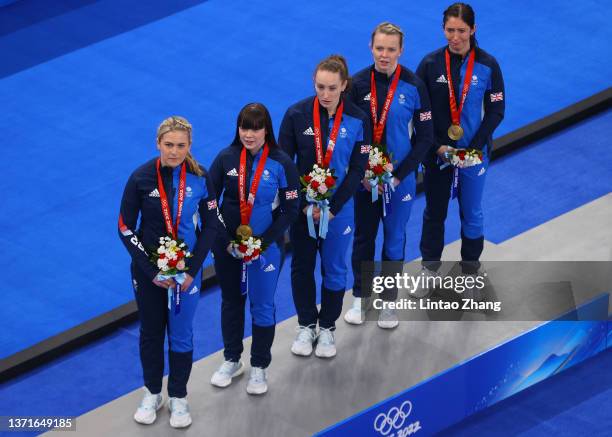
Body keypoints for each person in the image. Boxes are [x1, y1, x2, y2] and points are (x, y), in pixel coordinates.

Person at [118, 116, 222, 427]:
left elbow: (211, 225)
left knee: (180, 334)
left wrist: (192, 269)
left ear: (190, 145)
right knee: (151, 332)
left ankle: (178, 396)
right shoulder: (141, 179)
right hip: (149, 273)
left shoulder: (201, 178)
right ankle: (152, 392)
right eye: (168, 145)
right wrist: (150, 271)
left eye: (180, 145)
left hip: (186, 274)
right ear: (157, 143)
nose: (174, 152)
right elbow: (125, 227)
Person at [279, 55, 370, 358]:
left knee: (334, 268)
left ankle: (328, 328)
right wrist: (305, 204)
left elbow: (358, 168)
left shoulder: (359, 119)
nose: (325, 94)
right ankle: (306, 325)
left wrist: (334, 206)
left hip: (339, 209)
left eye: (332, 87)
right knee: (302, 267)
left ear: (344, 85)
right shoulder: (296, 115)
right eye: (320, 87)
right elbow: (284, 167)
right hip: (303, 211)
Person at [345, 22, 434, 328]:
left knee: (394, 240)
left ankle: (388, 302)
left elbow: (424, 137)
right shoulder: (355, 85)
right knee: (363, 237)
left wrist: (399, 175)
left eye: (391, 49)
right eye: (379, 48)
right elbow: (348, 135)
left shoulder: (414, 86)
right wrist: (361, 173)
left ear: (401, 51)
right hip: (365, 179)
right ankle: (361, 295)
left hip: (400, 178)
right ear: (371, 47)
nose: (384, 55)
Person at [208, 103, 299, 394]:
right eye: (244, 127)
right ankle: (232, 359)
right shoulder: (225, 159)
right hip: (229, 248)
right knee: (232, 301)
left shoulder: (281, 162)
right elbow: (210, 204)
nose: (249, 134)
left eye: (255, 128)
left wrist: (262, 242)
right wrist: (226, 242)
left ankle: (259, 366)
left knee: (262, 305)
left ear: (266, 130)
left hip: (266, 249)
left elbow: (290, 208)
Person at [416, 3, 505, 287]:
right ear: (443, 29)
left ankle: (470, 271)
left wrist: (474, 149)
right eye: (450, 30)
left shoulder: (488, 65)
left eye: (461, 31)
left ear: (473, 29)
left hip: (474, 154)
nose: (455, 37)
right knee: (434, 211)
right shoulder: (430, 65)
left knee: (472, 212)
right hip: (439, 153)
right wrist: (436, 147)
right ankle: (429, 270)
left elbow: (496, 111)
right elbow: (420, 113)